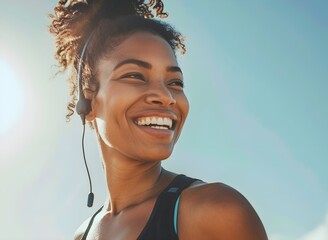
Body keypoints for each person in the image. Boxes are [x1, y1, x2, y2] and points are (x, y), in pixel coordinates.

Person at [49, 0, 268, 239]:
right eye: (135, 76)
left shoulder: (215, 211)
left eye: (175, 83)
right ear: (88, 103)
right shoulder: (82, 235)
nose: (165, 97)